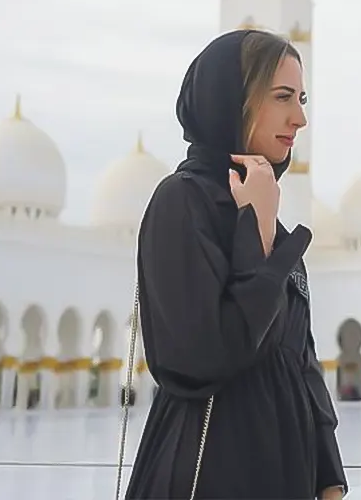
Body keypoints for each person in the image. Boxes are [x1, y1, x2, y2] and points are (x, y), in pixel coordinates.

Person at [123, 29, 347, 500]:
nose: (300, 117)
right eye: (283, 97)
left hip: (285, 470)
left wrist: (329, 478)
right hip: (212, 467)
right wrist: (257, 236)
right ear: (232, 100)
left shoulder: (271, 219)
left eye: (301, 98)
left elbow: (299, 361)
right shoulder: (182, 202)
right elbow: (198, 358)